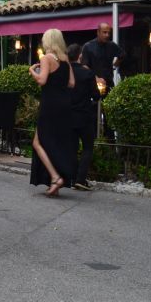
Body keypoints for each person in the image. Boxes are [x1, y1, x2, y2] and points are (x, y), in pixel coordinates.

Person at [29, 29, 77, 197]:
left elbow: (42, 80)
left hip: (50, 104)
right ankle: (54, 181)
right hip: (64, 105)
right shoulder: (65, 60)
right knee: (56, 141)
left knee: (38, 142)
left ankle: (56, 177)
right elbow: (71, 83)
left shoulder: (46, 59)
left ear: (47, 41)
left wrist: (32, 71)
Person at [66, 43, 100, 191]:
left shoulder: (65, 72)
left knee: (72, 148)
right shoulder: (88, 73)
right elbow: (96, 95)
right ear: (80, 56)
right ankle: (80, 179)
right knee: (87, 148)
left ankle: (73, 179)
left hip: (69, 115)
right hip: (85, 115)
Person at [81, 23, 123, 91]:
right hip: (93, 83)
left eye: (109, 33)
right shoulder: (88, 46)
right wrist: (96, 78)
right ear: (98, 32)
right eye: (104, 32)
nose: (107, 35)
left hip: (108, 82)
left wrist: (115, 64)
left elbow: (122, 55)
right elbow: (84, 65)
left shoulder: (111, 45)